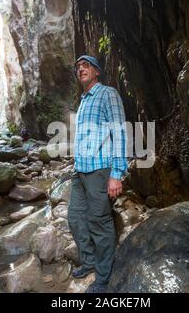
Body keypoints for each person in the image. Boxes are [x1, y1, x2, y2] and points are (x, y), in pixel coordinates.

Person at [68, 55, 128, 293]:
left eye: (86, 66)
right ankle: (89, 262)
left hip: (100, 170)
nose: (81, 69)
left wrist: (116, 174)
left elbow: (120, 132)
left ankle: (103, 277)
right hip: (80, 171)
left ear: (97, 72)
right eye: (78, 67)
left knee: (99, 222)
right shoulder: (83, 99)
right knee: (75, 218)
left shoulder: (107, 94)